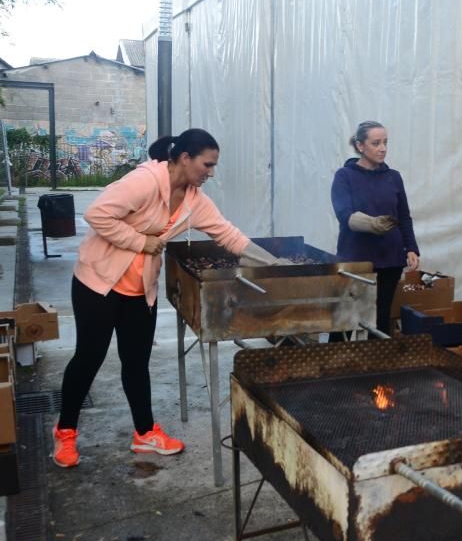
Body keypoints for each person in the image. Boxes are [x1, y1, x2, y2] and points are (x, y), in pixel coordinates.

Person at [52, 129, 285, 468]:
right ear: (185, 158)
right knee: (89, 357)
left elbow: (228, 234)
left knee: (136, 362)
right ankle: (66, 432)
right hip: (98, 283)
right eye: (207, 164)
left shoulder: (195, 201)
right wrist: (139, 241)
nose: (211, 172)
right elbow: (96, 214)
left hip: (139, 288)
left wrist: (274, 263)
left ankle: (144, 434)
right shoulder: (145, 181)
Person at [331, 121, 420, 336]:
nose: (383, 148)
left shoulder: (393, 177)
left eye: (385, 142)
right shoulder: (345, 176)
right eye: (376, 143)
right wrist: (371, 224)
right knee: (345, 317)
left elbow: (404, 217)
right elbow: (344, 215)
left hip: (390, 258)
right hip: (356, 260)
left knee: (380, 318)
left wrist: (411, 248)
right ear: (361, 146)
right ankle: (335, 366)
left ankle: (375, 365)